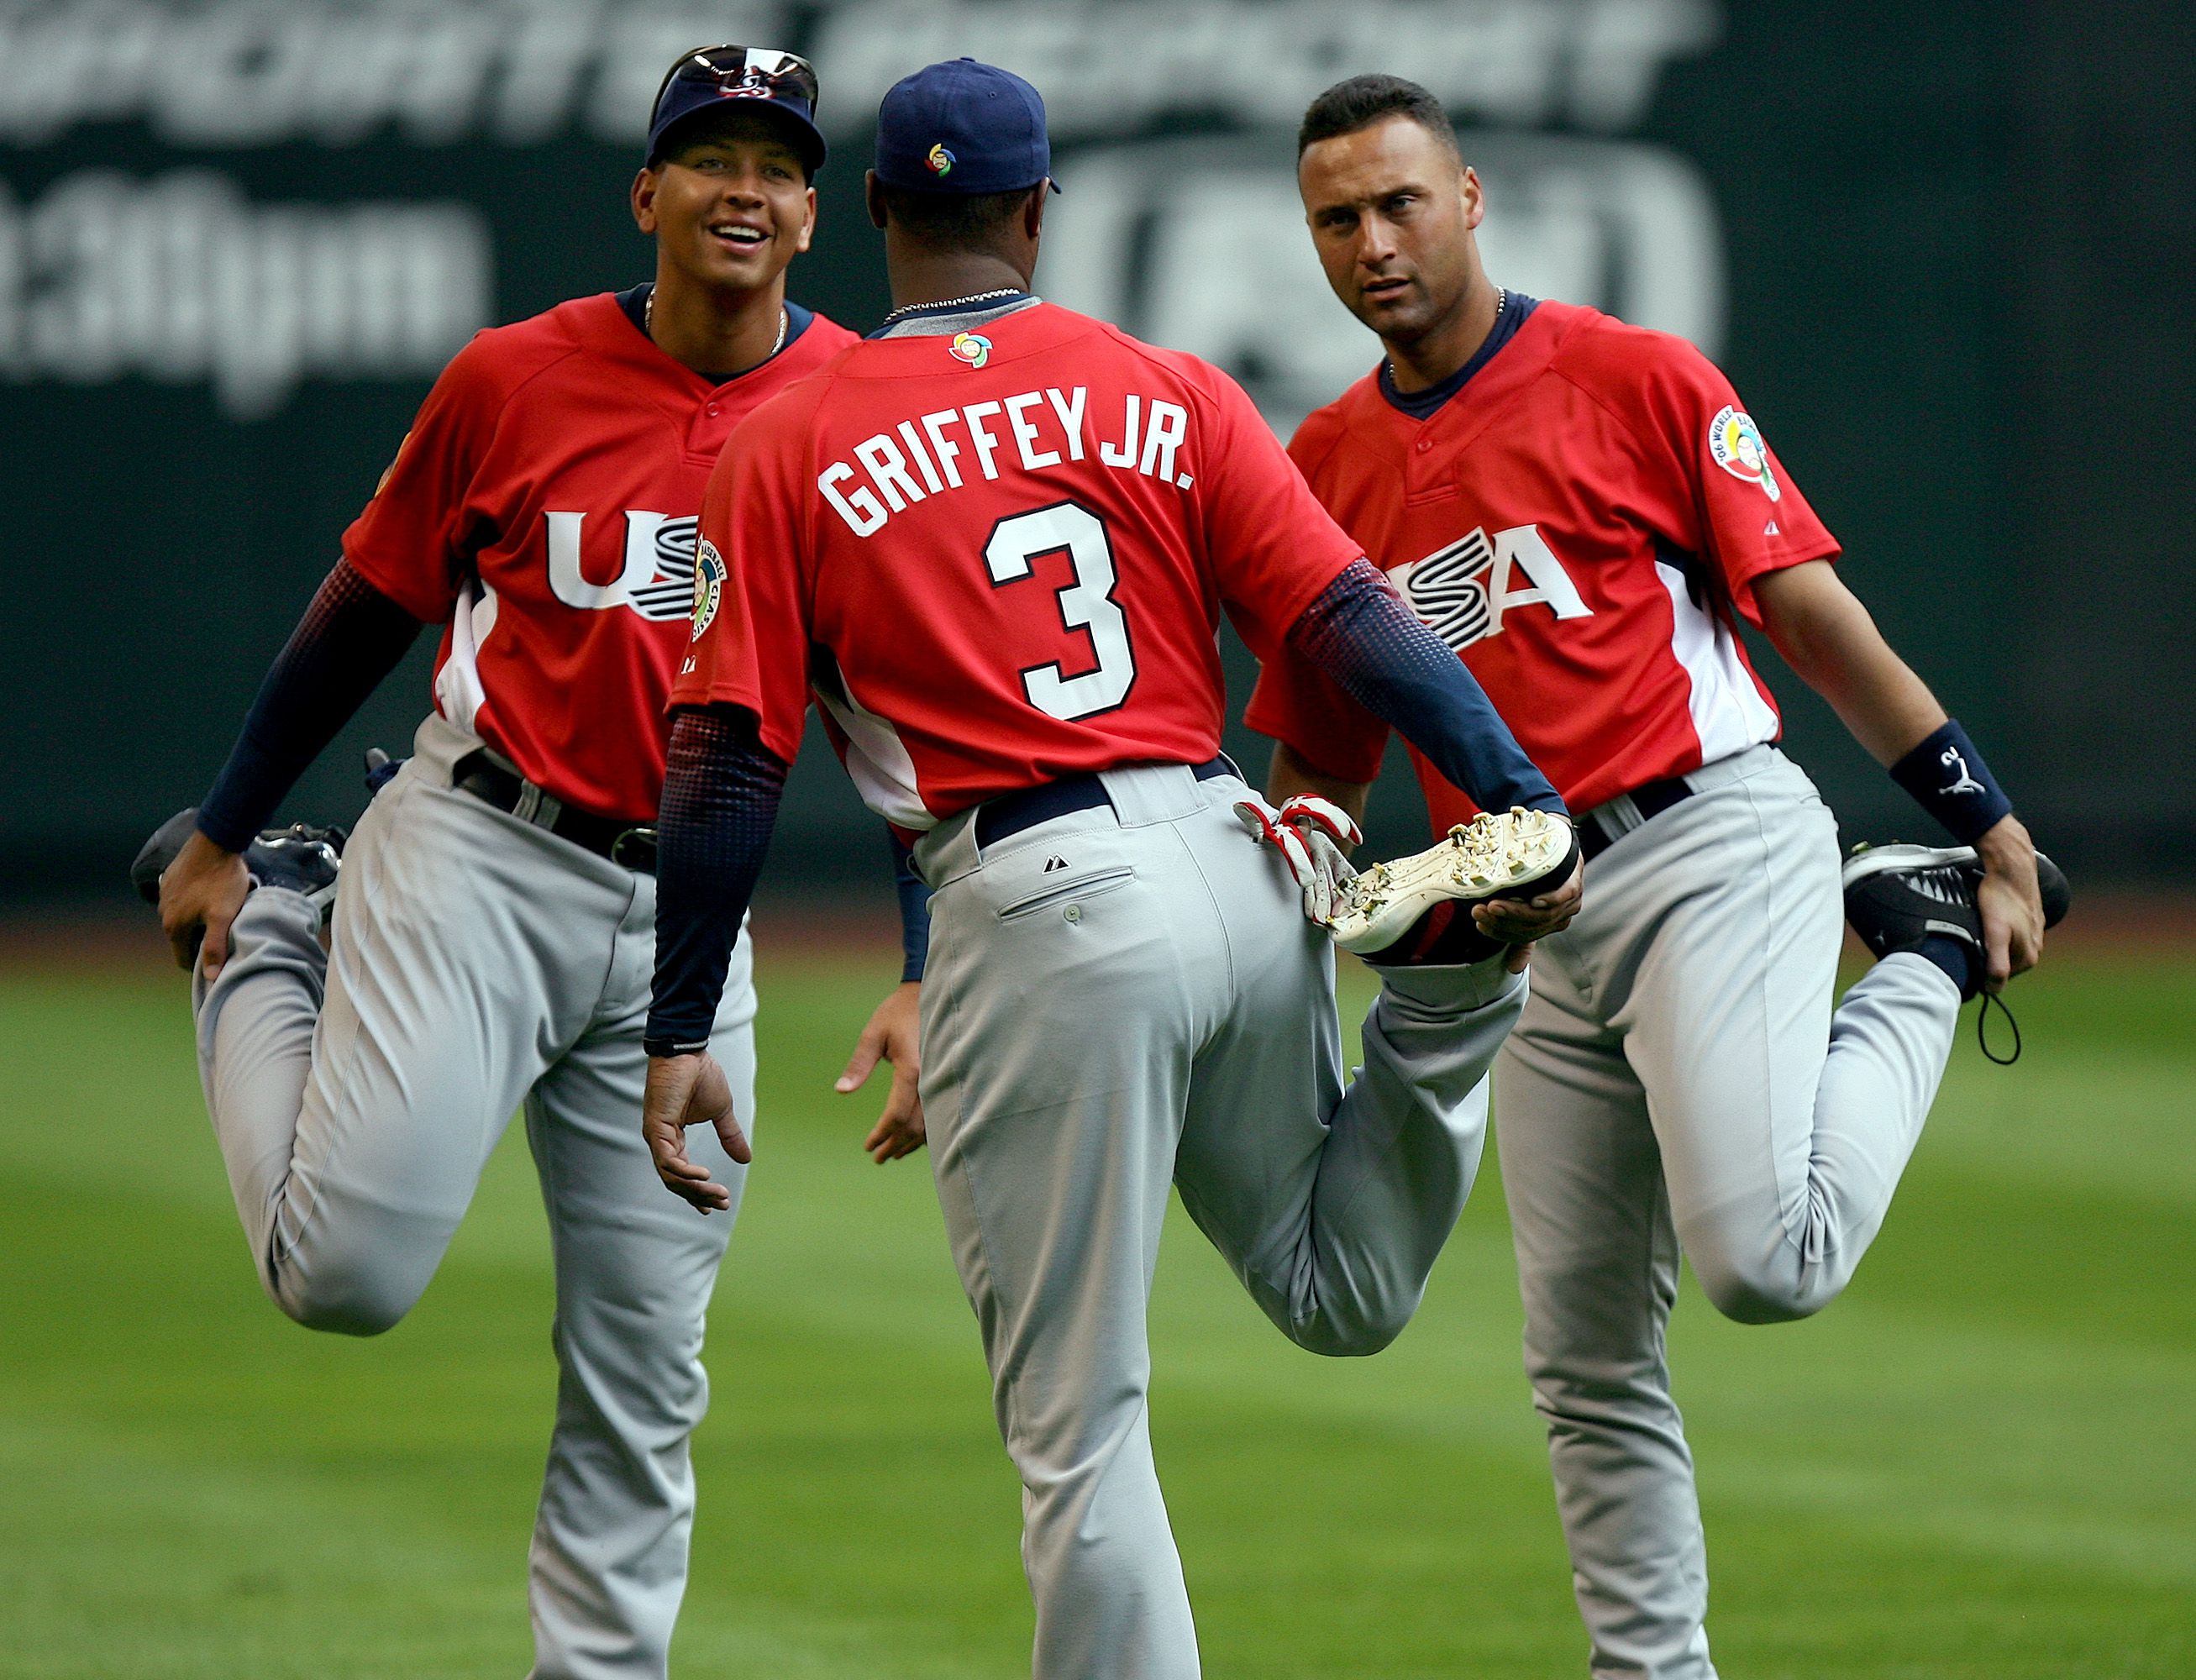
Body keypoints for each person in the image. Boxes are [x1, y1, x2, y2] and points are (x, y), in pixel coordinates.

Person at [637, 56, 1584, 1680]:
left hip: (1043, 899)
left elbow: (729, 764)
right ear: (1034, 211)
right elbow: (1347, 615)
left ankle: (1436, 979)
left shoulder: (788, 437)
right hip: (1231, 857)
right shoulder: (1168, 386)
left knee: (1078, 1434)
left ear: (869, 212)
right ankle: (1438, 990)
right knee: (1337, 1291)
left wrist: (672, 1026)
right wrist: (1512, 785)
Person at [1248, 76, 2069, 1680]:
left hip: (1709, 842)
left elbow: (1817, 622)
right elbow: (1320, 775)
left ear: (1470, 198)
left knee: (1764, 1262)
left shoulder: (1628, 376)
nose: (1373, 242)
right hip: (1532, 922)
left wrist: (1981, 822)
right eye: (1336, 219)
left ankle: (1915, 947)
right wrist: (1338, 894)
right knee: (1584, 1361)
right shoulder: (1324, 462)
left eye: (1400, 202)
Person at [129, 46, 911, 1680]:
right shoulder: (514, 378)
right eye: (710, 156)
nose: (742, 188)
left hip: (687, 921)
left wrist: (919, 966)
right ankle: (283, 916)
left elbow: (896, 720)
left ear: (814, 214)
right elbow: (363, 603)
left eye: (775, 164)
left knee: (647, 1373)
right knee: (343, 1275)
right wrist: (215, 831)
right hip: (480, 850)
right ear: (646, 194)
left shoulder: (857, 416)